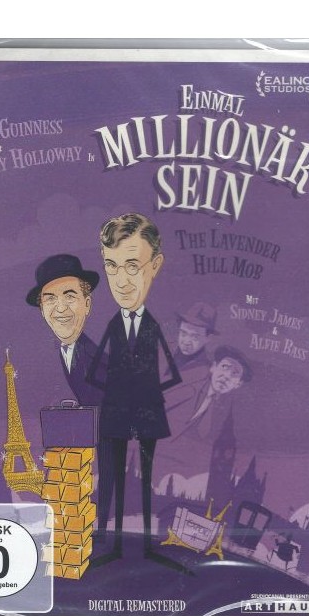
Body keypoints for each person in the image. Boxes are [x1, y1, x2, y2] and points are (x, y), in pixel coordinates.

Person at [86, 213, 186, 571]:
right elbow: (94, 369)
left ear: (154, 267)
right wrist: (113, 392)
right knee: (112, 476)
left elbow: (171, 371)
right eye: (112, 267)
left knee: (144, 479)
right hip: (116, 411)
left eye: (132, 266)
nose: (122, 280)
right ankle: (110, 545)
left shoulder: (152, 325)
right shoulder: (114, 323)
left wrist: (149, 392)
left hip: (145, 412)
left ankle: (145, 546)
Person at [26, 253, 112, 539]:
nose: (60, 308)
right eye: (50, 299)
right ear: (42, 309)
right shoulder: (53, 354)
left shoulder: (100, 362)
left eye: (70, 296)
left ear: (87, 304)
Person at [172, 302, 218, 376]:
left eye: (195, 337)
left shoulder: (207, 371)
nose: (186, 342)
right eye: (183, 333)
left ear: (208, 338)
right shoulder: (164, 354)